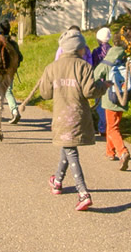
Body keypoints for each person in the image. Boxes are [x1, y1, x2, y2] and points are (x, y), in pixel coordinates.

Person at [40, 28, 109, 211]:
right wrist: (102, 85)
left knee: (69, 148)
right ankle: (69, 186)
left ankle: (75, 190)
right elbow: (90, 92)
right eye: (83, 48)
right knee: (69, 148)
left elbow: (44, 93)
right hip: (78, 116)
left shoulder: (51, 68)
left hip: (61, 117)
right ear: (78, 49)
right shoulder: (84, 67)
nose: (85, 51)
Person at [93, 44, 131, 170]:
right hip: (123, 97)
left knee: (113, 127)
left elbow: (95, 75)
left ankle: (122, 151)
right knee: (114, 124)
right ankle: (110, 152)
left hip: (110, 98)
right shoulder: (125, 59)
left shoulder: (108, 61)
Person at [0, 19, 23, 124]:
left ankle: (13, 111)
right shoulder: (12, 44)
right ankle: (9, 111)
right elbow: (20, 57)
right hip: (10, 72)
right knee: (7, 91)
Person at [91, 27, 112, 136]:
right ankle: (110, 126)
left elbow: (93, 66)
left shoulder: (96, 52)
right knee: (109, 105)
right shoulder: (112, 50)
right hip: (111, 81)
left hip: (99, 81)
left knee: (99, 106)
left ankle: (102, 127)